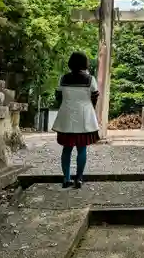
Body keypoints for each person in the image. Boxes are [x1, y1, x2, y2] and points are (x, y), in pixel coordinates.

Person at [52, 52, 100, 189]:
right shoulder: (90, 79)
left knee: (66, 149)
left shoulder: (63, 79)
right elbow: (95, 97)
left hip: (66, 117)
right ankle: (79, 179)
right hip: (84, 117)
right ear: (85, 63)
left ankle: (66, 179)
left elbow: (58, 97)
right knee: (82, 148)